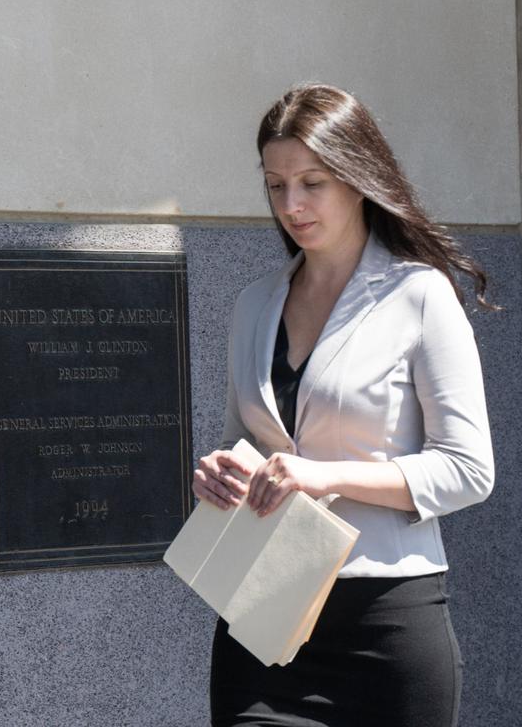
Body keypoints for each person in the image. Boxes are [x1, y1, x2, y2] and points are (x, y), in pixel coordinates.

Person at [192, 83, 495, 727]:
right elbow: (241, 438)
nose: (292, 205)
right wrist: (222, 472)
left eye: (313, 182)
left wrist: (325, 477)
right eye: (276, 186)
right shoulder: (253, 304)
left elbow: (469, 470)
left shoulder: (418, 295)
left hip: (385, 623)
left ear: (358, 180)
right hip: (262, 609)